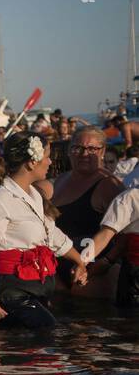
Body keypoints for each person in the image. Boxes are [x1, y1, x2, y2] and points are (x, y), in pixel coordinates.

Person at [0, 133, 88, 329]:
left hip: (36, 287)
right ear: (32, 162)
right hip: (11, 289)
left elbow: (52, 235)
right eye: (47, 156)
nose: (51, 162)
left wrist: (80, 262)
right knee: (47, 330)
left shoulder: (34, 194)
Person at [52, 125, 124, 299]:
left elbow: (125, 233)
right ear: (69, 150)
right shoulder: (60, 180)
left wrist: (106, 263)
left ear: (102, 151)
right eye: (78, 148)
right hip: (58, 269)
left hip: (94, 271)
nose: (84, 154)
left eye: (92, 148)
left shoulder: (109, 185)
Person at [81, 186, 139, 307]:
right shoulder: (130, 197)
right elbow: (104, 235)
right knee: (130, 321)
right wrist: (82, 262)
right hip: (135, 274)